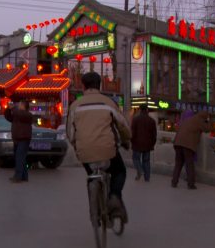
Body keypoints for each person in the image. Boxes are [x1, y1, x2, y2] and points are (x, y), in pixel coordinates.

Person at [67, 71, 131, 223]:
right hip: (107, 150)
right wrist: (126, 139)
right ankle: (114, 196)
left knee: (91, 174)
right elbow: (123, 126)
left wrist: (77, 147)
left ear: (83, 86)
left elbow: (70, 133)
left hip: (85, 152)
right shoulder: (108, 103)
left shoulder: (75, 105)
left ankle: (94, 210)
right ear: (99, 85)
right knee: (119, 171)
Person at [171, 111, 210, 189]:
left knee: (178, 164)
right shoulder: (199, 120)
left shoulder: (190, 119)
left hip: (178, 143)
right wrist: (208, 121)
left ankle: (174, 182)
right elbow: (207, 129)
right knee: (189, 164)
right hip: (187, 145)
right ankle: (191, 184)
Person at [4, 100, 33, 183]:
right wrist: (8, 109)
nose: (18, 105)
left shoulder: (27, 115)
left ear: (24, 106)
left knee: (19, 157)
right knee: (21, 158)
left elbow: (20, 114)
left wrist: (13, 108)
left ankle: (18, 177)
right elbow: (8, 117)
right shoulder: (17, 114)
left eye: (20, 104)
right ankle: (24, 176)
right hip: (17, 139)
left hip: (24, 139)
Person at [131, 104, 157, 181]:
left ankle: (140, 170)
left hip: (137, 143)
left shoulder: (135, 119)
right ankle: (147, 177)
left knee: (135, 158)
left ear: (140, 110)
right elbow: (154, 135)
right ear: (147, 110)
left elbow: (133, 133)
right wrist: (152, 144)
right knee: (146, 161)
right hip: (148, 144)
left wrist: (132, 141)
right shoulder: (152, 121)